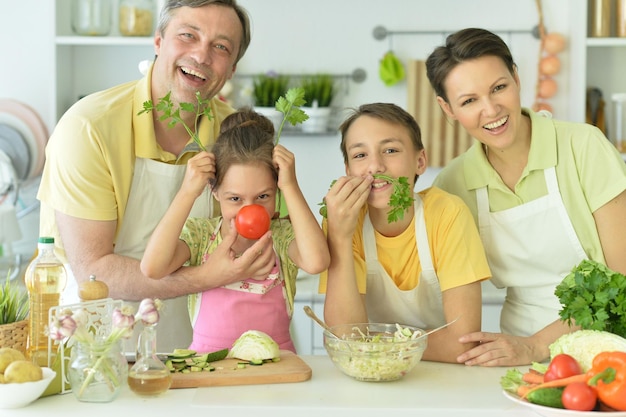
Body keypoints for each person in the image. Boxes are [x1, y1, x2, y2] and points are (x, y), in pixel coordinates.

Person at [36, 0, 265, 352]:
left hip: (199, 349)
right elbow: (94, 271)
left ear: (232, 68)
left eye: (220, 47)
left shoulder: (233, 136)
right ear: (158, 41)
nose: (201, 55)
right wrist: (207, 277)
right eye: (188, 35)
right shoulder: (88, 128)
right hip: (96, 346)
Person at [425, 28, 626, 367]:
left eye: (498, 88)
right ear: (448, 109)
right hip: (516, 357)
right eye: (469, 101)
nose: (490, 110)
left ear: (516, 78)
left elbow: (621, 277)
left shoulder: (583, 147)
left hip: (604, 347)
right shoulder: (453, 183)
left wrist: (536, 346)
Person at [141, 108, 330, 353]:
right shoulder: (201, 234)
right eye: (235, 199)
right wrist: (187, 191)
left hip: (276, 369)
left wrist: (291, 185)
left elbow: (317, 262)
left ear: (277, 191)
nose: (249, 210)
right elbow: (152, 267)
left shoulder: (282, 235)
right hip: (210, 368)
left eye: (263, 196)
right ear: (215, 192)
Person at [318, 102, 491, 363]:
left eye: (390, 150)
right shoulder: (341, 222)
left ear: (420, 161)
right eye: (360, 155)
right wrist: (340, 237)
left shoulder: (447, 214)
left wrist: (370, 341)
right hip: (367, 372)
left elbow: (461, 342)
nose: (374, 166)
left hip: (441, 375)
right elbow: (343, 338)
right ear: (348, 170)